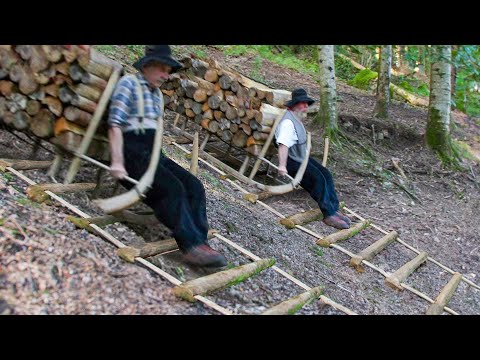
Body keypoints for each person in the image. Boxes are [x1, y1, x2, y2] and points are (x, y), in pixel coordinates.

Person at [107, 45, 227, 267]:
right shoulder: (129, 85)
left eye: (168, 70)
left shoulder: (156, 94)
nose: (166, 75)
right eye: (162, 69)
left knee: (194, 187)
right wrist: (116, 161)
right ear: (147, 66)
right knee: (173, 189)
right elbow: (115, 124)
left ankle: (200, 242)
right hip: (131, 153)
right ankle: (191, 246)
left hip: (153, 155)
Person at [275, 88, 351, 229]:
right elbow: (283, 145)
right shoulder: (288, 123)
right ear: (294, 105)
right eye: (302, 103)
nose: (305, 106)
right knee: (318, 179)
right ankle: (328, 215)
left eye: (306, 103)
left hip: (300, 158)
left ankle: (334, 209)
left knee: (326, 174)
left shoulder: (296, 118)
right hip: (293, 162)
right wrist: (282, 165)